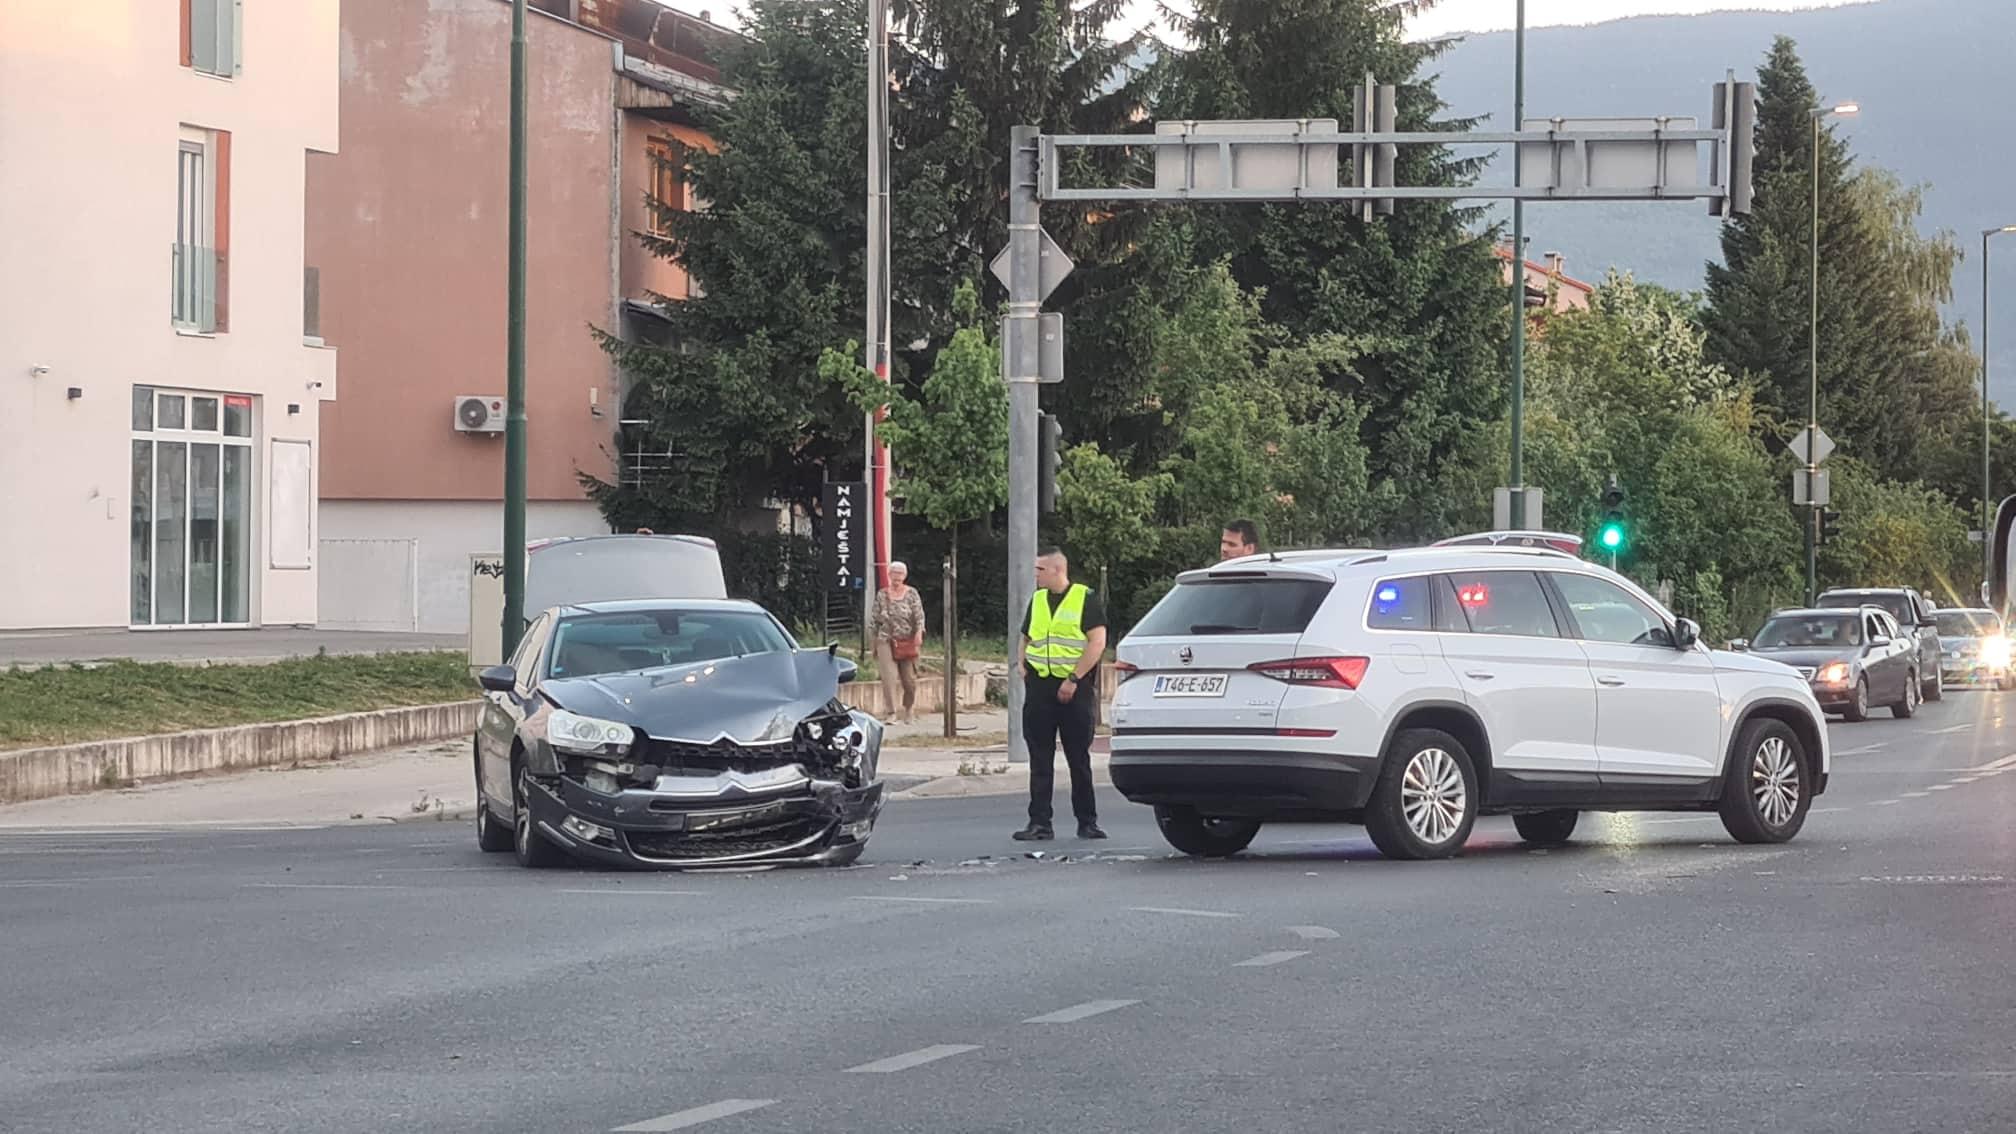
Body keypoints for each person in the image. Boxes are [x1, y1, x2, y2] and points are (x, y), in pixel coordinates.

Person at [1013, 547, 1108, 841]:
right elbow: (1027, 635)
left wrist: (1073, 678)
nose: (1035, 575)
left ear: (1057, 570)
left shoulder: (1084, 598)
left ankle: (1087, 822)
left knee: (1077, 757)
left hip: (1073, 688)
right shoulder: (1039, 599)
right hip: (1040, 686)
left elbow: (1097, 642)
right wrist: (1022, 663)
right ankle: (1040, 822)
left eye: (1039, 569)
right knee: (1039, 757)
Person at [870, 560, 926, 724]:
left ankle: (908, 709)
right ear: (889, 575)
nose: (897, 577)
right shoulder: (882, 594)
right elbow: (874, 620)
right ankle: (891, 713)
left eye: (900, 574)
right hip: (886, 639)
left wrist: (919, 633)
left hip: (907, 640)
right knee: (889, 677)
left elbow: (919, 616)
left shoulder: (912, 593)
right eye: (894, 573)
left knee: (909, 680)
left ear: (905, 576)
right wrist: (873, 643)